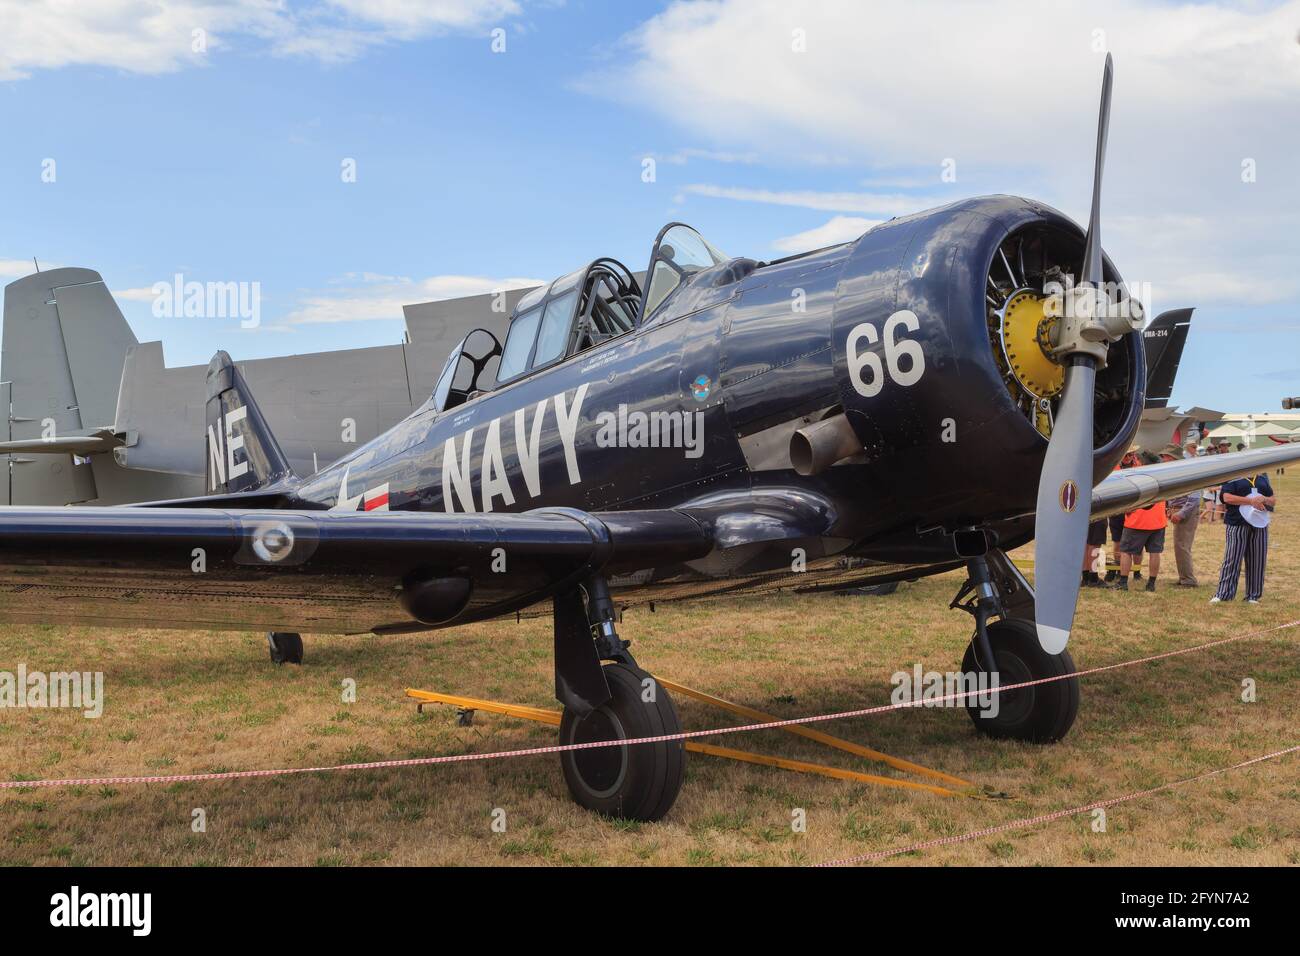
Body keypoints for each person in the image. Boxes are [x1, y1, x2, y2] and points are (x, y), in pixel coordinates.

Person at [1210, 471, 1276, 604]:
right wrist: (1250, 501)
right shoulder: (1233, 478)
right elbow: (1227, 498)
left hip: (1259, 524)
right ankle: (1224, 594)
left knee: (1257, 560)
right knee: (1232, 558)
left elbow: (1273, 500)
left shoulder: (1262, 480)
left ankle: (1253, 596)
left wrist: (1264, 499)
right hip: (1237, 523)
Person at [1114, 452, 1166, 591]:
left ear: (1142, 462)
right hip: (1158, 521)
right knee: (1155, 552)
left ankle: (1123, 582)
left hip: (1137, 521)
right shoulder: (1162, 476)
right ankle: (1151, 584)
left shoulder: (1138, 476)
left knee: (1126, 551)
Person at [1167, 445, 1201, 587]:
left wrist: (1181, 513)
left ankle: (1188, 580)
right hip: (1180, 510)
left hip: (1185, 511)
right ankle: (1184, 577)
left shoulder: (1187, 471)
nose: (1163, 459)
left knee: (1182, 546)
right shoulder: (1176, 470)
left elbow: (1195, 495)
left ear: (1172, 458)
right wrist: (1169, 508)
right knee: (1180, 546)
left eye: (1165, 456)